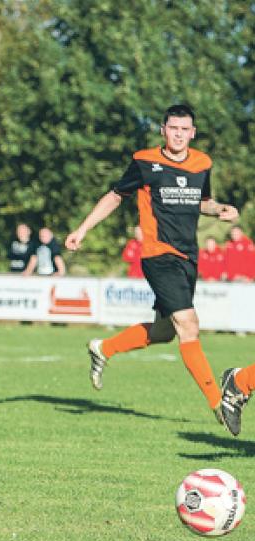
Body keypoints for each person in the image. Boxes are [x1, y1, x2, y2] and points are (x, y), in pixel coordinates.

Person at [63, 104, 239, 427]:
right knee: (188, 324)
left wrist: (221, 209)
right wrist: (83, 229)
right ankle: (221, 402)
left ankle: (102, 348)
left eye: (185, 130)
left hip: (188, 258)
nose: (179, 135)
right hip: (158, 256)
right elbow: (115, 196)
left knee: (163, 332)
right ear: (163, 130)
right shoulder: (144, 162)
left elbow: (202, 201)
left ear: (193, 133)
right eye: (173, 128)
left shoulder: (202, 163)